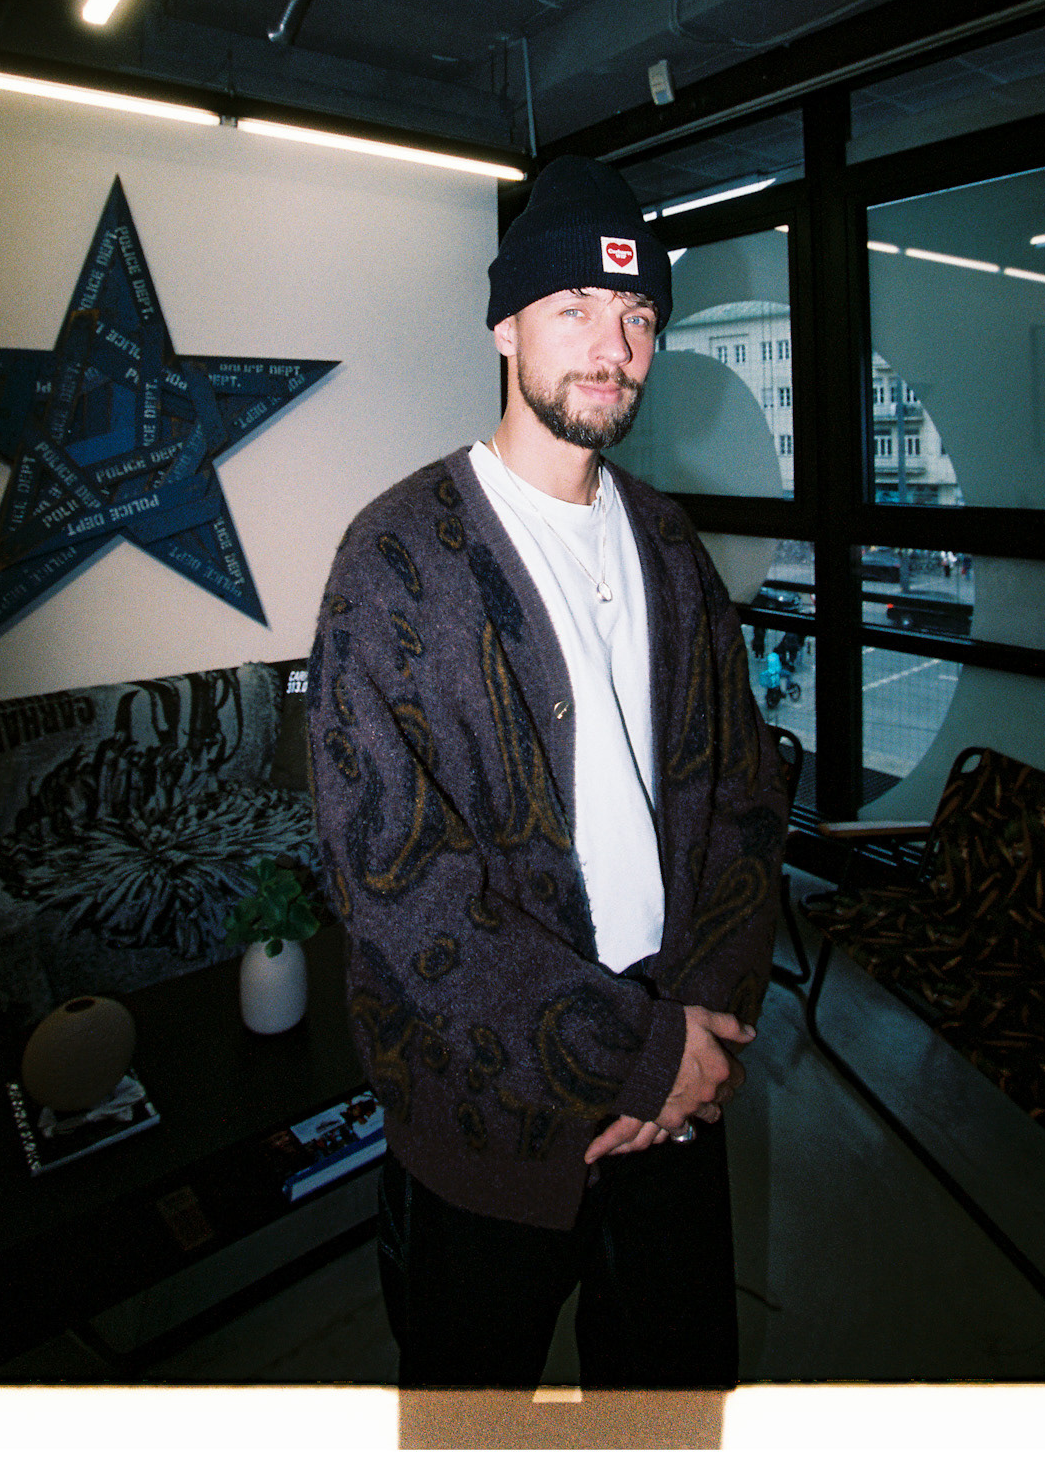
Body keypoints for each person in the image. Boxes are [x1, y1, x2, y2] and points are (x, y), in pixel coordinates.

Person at [306, 156, 791, 1390]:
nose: (612, 346)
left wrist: (696, 1025)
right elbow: (398, 894)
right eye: (573, 306)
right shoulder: (394, 561)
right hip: (487, 1124)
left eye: (637, 315)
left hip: (675, 1086)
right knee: (469, 1407)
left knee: (673, 1400)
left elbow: (744, 795)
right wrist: (631, 1053)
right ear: (504, 325)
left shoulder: (670, 543)